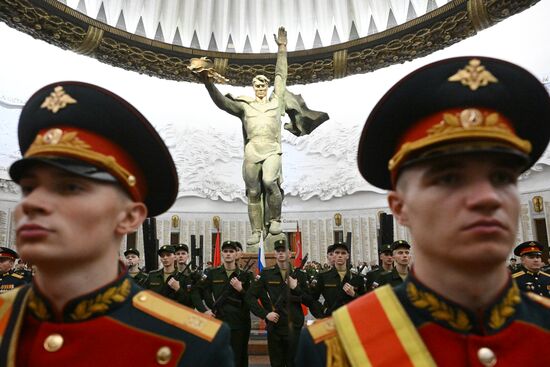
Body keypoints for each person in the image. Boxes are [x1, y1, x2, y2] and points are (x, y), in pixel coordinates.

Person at [297, 57, 550, 366]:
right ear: (399, 208)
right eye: (449, 179)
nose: (487, 198)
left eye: (502, 177)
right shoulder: (339, 348)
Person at [0, 81, 232, 366]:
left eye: (70, 188)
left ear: (129, 217)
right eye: (29, 188)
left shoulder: (189, 346)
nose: (32, 204)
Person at [198, 27, 328, 246]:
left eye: (263, 85)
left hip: (271, 148)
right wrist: (207, 82)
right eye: (256, 85)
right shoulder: (244, 106)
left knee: (269, 181)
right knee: (253, 191)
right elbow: (221, 102)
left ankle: (275, 219)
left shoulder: (276, 102)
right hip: (252, 150)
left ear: (267, 87)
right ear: (252, 87)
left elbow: (281, 75)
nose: (260, 87)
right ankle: (256, 231)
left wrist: (282, 49)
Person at [245, 239, 312, 367]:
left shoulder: (300, 275)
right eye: (278, 251)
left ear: (290, 254)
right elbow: (250, 296)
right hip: (275, 326)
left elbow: (309, 300)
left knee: (294, 363)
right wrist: (265, 314)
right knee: (277, 363)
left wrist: (295, 288)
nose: (281, 253)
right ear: (275, 254)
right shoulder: (267, 273)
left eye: (284, 250)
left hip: (294, 326)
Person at [194, 241, 253, 367]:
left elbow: (252, 299)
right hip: (219, 320)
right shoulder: (212, 273)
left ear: (236, 253)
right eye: (225, 251)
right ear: (221, 253)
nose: (228, 254)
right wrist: (204, 310)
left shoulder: (246, 275)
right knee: (220, 356)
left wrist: (241, 289)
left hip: (240, 322)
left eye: (231, 251)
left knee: (239, 356)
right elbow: (197, 292)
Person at [310, 242, 365, 317]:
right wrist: (323, 311)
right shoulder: (323, 276)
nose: (340, 255)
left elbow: (365, 302)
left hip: (351, 318)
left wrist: (354, 294)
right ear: (333, 255)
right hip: (331, 319)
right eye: (337, 252)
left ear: (347, 256)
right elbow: (313, 299)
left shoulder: (357, 277)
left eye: (343, 253)